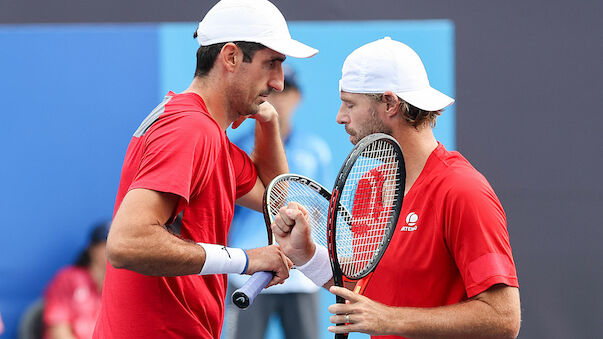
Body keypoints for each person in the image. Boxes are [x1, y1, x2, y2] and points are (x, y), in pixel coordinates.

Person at [92, 0, 318, 338]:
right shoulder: (190, 129)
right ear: (230, 57)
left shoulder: (204, 130)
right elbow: (127, 243)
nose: (278, 82)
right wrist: (245, 259)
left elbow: (274, 196)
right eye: (271, 64)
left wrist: (268, 121)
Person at [272, 37, 521, 338]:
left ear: (390, 103)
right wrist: (307, 255)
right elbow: (367, 289)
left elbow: (504, 318)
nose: (340, 117)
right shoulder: (369, 185)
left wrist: (390, 319)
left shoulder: (463, 190)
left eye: (350, 104)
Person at [227, 65, 332, 339]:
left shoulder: (316, 151)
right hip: (249, 272)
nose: (278, 99)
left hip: (301, 279)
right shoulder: (236, 148)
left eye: (285, 92)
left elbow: (322, 212)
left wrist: (300, 227)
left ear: (297, 99)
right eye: (271, 92)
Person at [43, 222, 109, 339]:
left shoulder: (126, 287)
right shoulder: (68, 279)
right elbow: (58, 331)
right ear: (92, 249)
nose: (112, 250)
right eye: (105, 244)